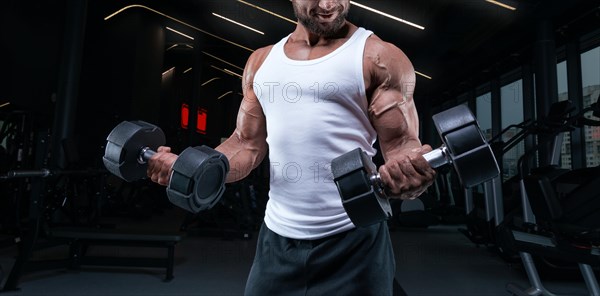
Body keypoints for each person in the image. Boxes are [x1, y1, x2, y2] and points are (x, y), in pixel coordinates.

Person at [148, 0, 436, 295]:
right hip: (277, 242)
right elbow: (246, 145)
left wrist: (409, 172)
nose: (327, 5)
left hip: (356, 239)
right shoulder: (261, 62)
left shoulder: (378, 57)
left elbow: (401, 145)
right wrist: (192, 167)